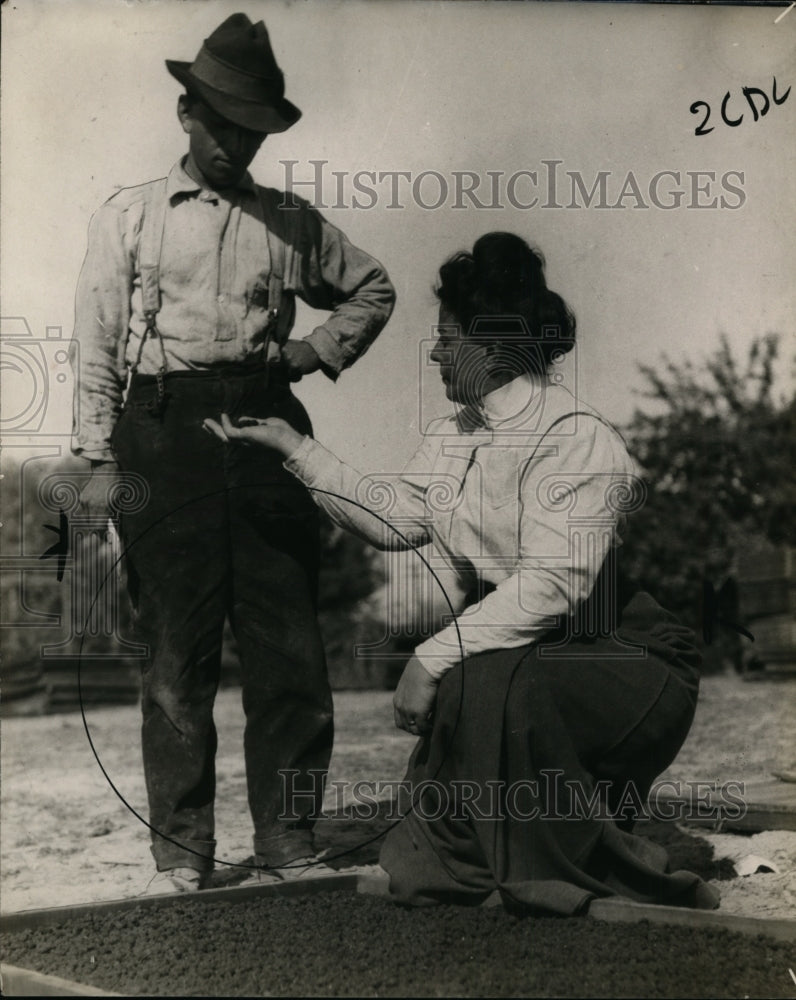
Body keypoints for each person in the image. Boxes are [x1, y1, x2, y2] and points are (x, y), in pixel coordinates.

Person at [205, 231, 720, 914]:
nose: (436, 352)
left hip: (624, 658)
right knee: (479, 690)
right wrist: (294, 448)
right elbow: (396, 519)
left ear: (492, 345)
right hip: (529, 655)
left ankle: (566, 856)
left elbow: (553, 587)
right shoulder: (456, 435)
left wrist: (429, 656)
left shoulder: (575, 436)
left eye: (448, 338)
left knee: (488, 684)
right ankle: (499, 853)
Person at [70, 13, 395, 894]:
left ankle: (288, 836)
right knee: (177, 652)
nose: (235, 143)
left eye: (252, 130)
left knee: (288, 645)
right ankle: (182, 850)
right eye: (221, 123)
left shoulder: (288, 221)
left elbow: (373, 287)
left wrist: (313, 351)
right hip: (162, 432)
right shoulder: (129, 216)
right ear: (186, 114)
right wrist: (96, 459)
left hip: (264, 428)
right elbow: (96, 347)